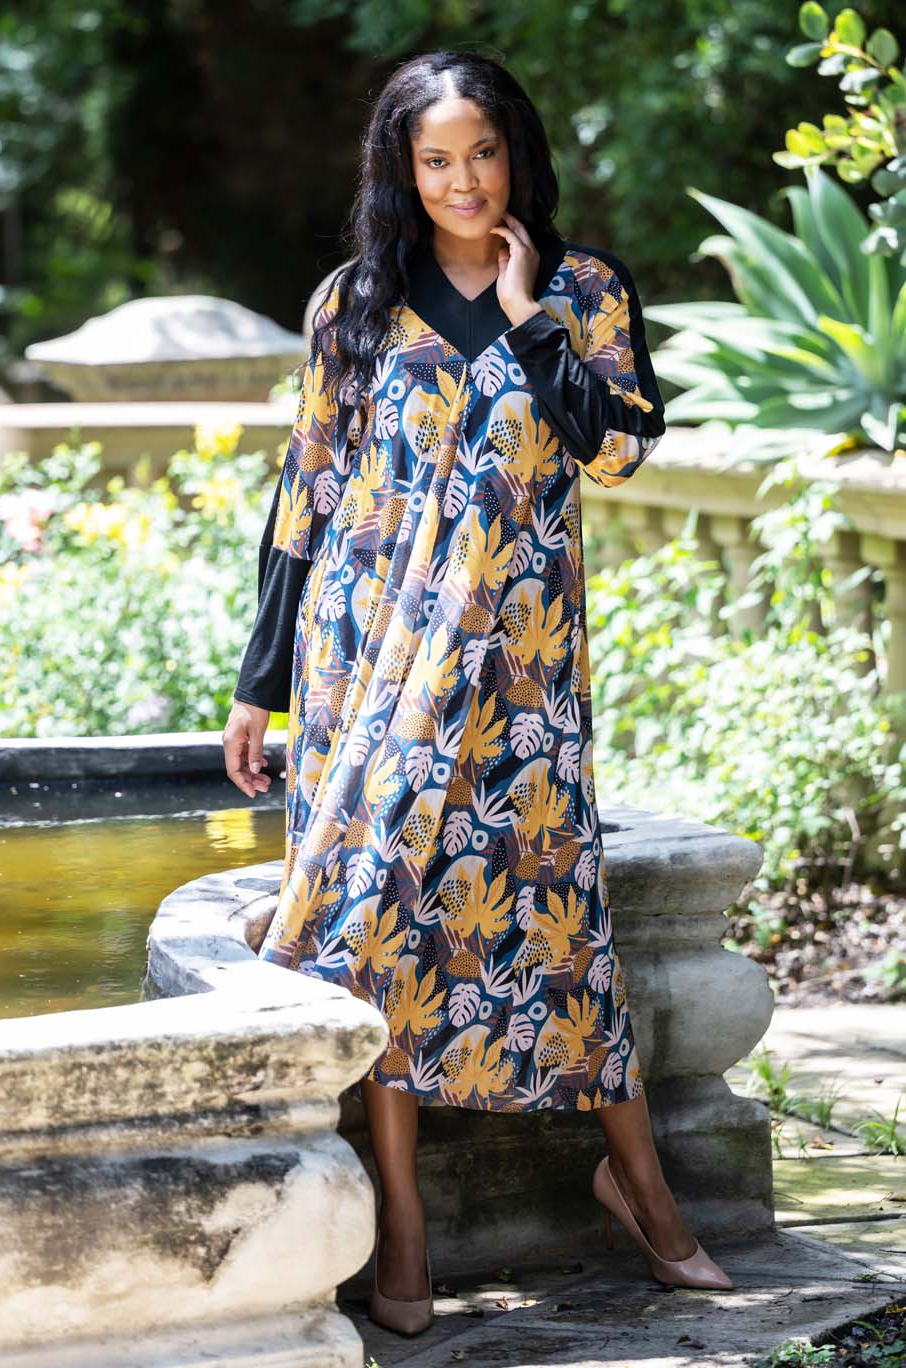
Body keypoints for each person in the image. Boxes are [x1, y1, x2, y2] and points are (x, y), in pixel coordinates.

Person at [223, 48, 733, 1338]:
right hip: (367, 659)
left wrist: (525, 316)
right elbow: (307, 492)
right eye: (435, 160)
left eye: (483, 153)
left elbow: (615, 449)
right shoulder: (353, 302)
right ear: (401, 171)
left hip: (522, 669)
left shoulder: (582, 290)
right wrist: (260, 686)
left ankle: (644, 1190)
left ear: (518, 153)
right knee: (383, 913)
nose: (463, 182)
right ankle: (403, 1224)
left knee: (557, 914)